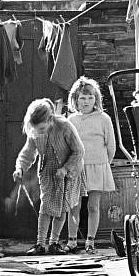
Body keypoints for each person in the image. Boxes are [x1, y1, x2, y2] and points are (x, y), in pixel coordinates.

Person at [13, 98, 85, 255]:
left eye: (42, 128)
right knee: (46, 208)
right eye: (36, 129)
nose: (39, 131)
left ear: (50, 119)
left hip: (69, 172)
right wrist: (20, 168)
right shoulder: (35, 133)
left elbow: (79, 150)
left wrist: (66, 168)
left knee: (62, 209)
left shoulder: (64, 126)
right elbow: (28, 153)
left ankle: (54, 243)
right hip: (48, 171)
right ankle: (40, 244)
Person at [65, 77, 116, 254]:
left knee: (93, 206)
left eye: (90, 98)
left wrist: (103, 165)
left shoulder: (104, 119)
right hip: (77, 168)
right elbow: (67, 145)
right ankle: (72, 240)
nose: (86, 102)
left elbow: (111, 146)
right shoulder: (71, 120)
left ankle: (90, 241)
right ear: (75, 100)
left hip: (97, 167)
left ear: (96, 99)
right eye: (82, 98)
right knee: (74, 205)